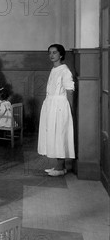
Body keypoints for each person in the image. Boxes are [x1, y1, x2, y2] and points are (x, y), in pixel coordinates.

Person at [38, 44, 75, 176]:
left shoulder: (65, 70)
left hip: (60, 106)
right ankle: (60, 166)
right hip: (51, 105)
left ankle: (60, 168)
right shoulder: (55, 69)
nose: (51, 55)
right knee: (53, 134)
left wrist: (69, 110)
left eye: (54, 52)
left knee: (59, 134)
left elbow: (70, 91)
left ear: (61, 54)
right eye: (50, 53)